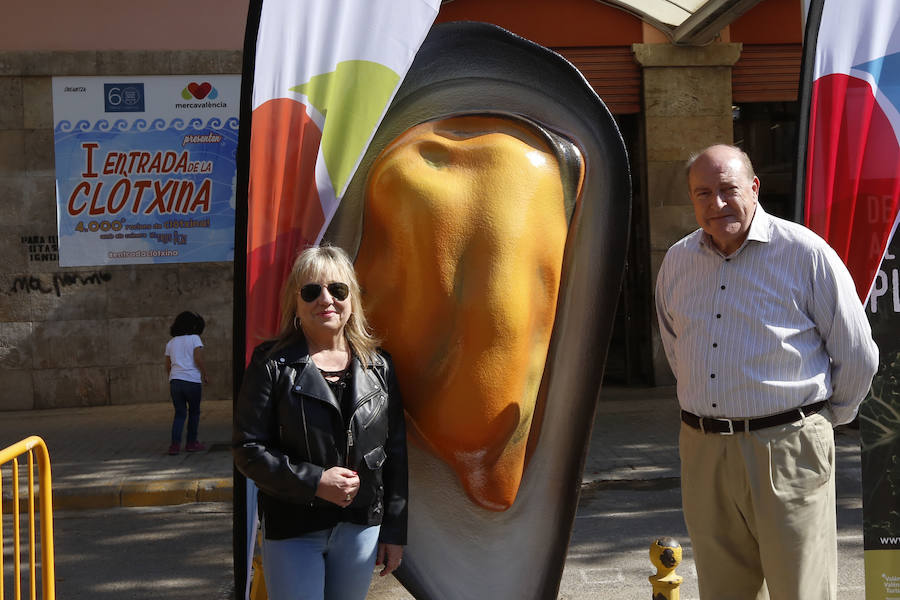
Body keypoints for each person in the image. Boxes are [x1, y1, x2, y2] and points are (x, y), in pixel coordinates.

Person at [656, 144, 879, 600]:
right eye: (703, 193)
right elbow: (676, 348)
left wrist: (818, 422)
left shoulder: (804, 253)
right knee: (723, 591)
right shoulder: (678, 261)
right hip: (703, 451)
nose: (716, 204)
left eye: (727, 189)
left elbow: (857, 354)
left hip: (788, 449)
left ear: (754, 188)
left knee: (801, 589)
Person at [233, 245, 408, 600]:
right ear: (295, 304)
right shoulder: (271, 365)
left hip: (360, 528)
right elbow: (248, 450)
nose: (325, 299)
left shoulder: (380, 367)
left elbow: (395, 453)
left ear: (352, 299)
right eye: (311, 291)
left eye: (337, 290)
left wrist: (394, 530)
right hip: (294, 526)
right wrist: (316, 481)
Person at [165, 311, 208, 455]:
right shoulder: (195, 339)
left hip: (175, 382)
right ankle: (191, 443)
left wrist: (172, 377)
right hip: (192, 381)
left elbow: (167, 365)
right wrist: (205, 374)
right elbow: (198, 359)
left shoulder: (171, 342)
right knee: (194, 413)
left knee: (179, 414)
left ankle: (175, 445)